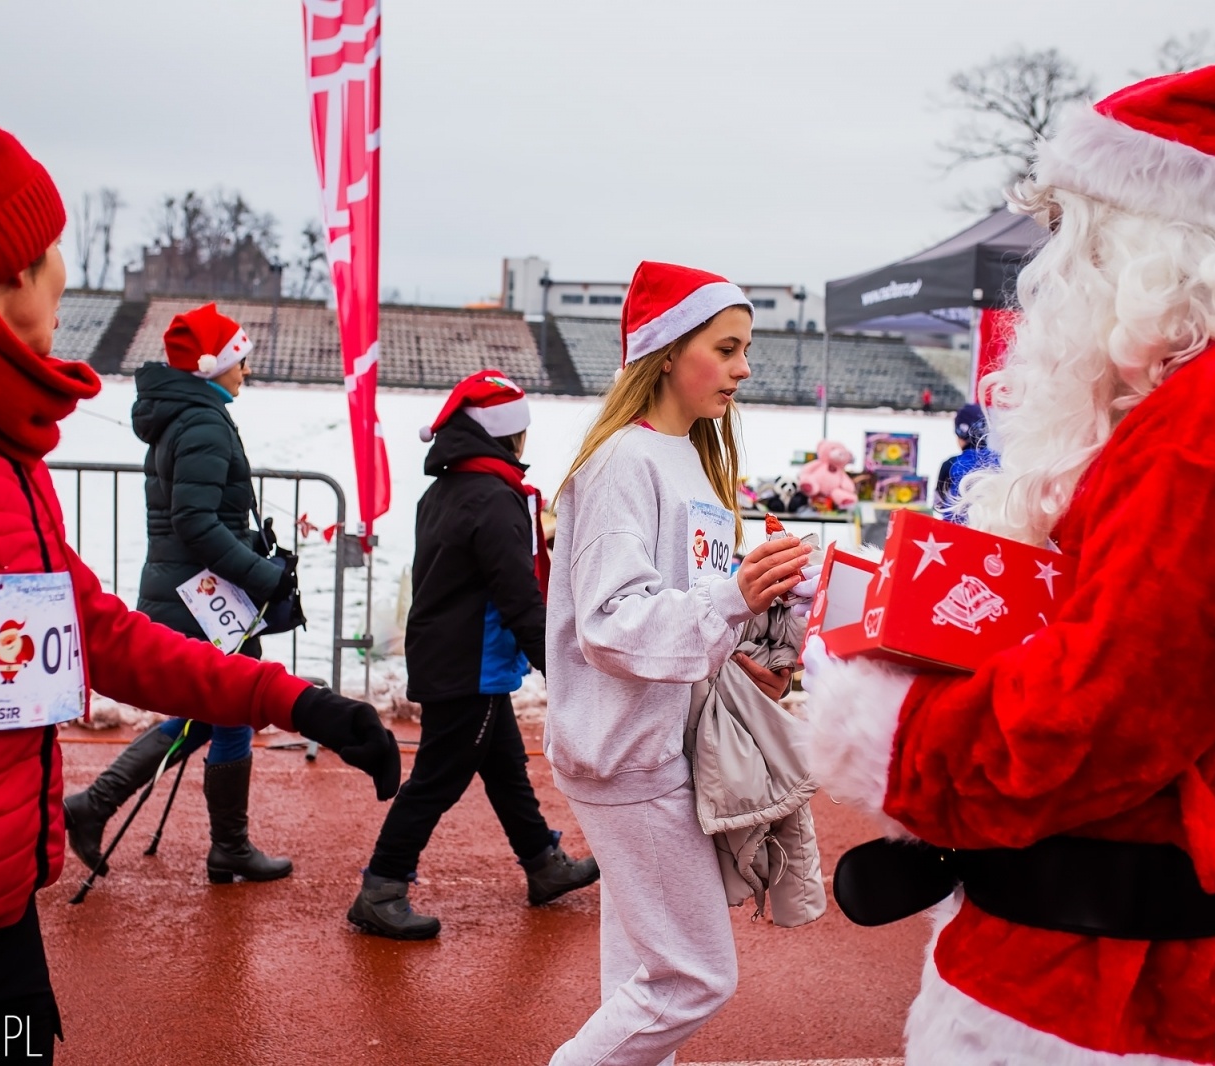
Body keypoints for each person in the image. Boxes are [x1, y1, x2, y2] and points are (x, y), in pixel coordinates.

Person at [0, 44, 398, 1058]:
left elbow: (92, 632)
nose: (67, 279)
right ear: (11, 267)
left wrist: (298, 699)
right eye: (55, 252)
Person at [804, 56, 1215, 1064]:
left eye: (1072, 228)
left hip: (1112, 987)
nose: (1052, 265)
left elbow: (1101, 715)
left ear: (1139, 235)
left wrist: (894, 732)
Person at [545, 262, 812, 1066]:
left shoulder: (690, 459)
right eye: (726, 348)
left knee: (646, 977)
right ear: (666, 351)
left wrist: (749, 648)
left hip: (656, 746)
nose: (744, 367)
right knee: (695, 977)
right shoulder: (624, 464)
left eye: (745, 348)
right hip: (627, 752)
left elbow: (685, 613)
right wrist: (734, 600)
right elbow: (611, 625)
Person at [347, 370, 599, 939]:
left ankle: (542, 863)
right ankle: (382, 886)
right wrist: (559, 668)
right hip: (471, 666)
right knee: (438, 777)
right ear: (508, 436)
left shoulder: (447, 489)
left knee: (505, 767)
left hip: (448, 655)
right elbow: (517, 595)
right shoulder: (494, 497)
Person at [63, 303, 300, 885]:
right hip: (201, 592)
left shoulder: (190, 415)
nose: (246, 370)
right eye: (239, 360)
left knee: (206, 710)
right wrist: (262, 575)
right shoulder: (201, 423)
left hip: (192, 587)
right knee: (233, 706)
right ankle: (229, 848)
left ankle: (94, 804)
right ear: (211, 366)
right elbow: (196, 523)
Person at [932, 402, 997, 521]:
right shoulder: (1001, 463)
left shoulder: (951, 465)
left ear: (960, 432)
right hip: (993, 535)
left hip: (955, 534)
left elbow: (938, 504)